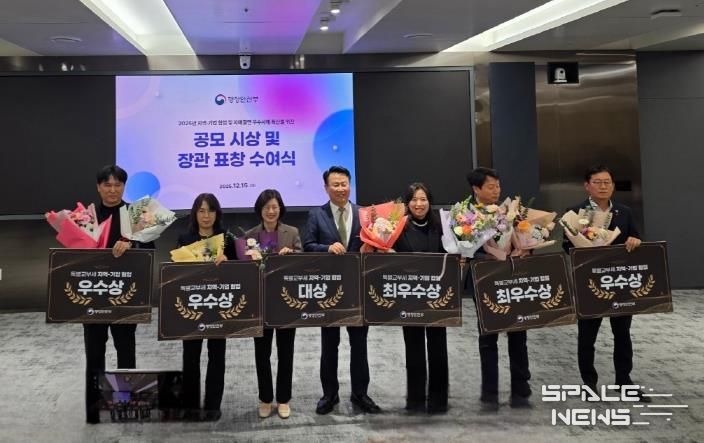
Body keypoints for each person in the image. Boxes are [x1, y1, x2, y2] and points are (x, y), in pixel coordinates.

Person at [563, 165, 649, 401]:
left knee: (622, 333)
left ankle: (624, 381)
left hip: (619, 282)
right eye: (598, 182)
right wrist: (586, 250)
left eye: (607, 182)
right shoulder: (575, 212)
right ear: (587, 186)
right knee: (587, 335)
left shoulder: (624, 211)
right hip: (589, 282)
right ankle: (589, 383)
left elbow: (636, 237)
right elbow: (567, 245)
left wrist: (635, 240)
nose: (603, 186)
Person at [302, 165, 381, 415]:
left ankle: (360, 393)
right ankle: (329, 394)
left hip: (358, 288)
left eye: (344, 184)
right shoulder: (316, 214)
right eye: (335, 185)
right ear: (326, 188)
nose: (340, 189)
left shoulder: (364, 214)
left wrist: (373, 248)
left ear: (350, 185)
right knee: (329, 344)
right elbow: (307, 246)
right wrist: (326, 248)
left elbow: (376, 244)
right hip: (329, 290)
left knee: (360, 344)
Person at [84, 165, 155, 424]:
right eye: (107, 185)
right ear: (98, 187)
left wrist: (132, 244)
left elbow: (150, 248)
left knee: (126, 351)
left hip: (126, 295)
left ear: (124, 187)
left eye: (117, 185)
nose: (112, 190)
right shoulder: (87, 217)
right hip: (93, 297)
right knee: (94, 354)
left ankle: (126, 404)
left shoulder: (136, 214)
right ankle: (93, 407)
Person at [465, 167, 532, 410]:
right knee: (488, 335)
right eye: (491, 187)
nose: (497, 191)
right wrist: (488, 255)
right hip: (483, 279)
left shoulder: (509, 211)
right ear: (476, 189)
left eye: (498, 186)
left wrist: (525, 249)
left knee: (518, 330)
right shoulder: (465, 216)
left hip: (512, 278)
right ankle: (490, 390)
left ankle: (521, 386)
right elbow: (463, 249)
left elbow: (527, 237)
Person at [177, 193, 236, 421]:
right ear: (195, 213)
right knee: (190, 356)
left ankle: (213, 405)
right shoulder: (185, 238)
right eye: (201, 211)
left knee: (217, 356)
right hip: (192, 306)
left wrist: (228, 262)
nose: (206, 215)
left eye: (210, 210)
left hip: (219, 306)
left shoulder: (227, 238)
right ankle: (190, 405)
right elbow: (175, 273)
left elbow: (239, 271)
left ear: (217, 213)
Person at [244, 189, 302, 420]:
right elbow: (244, 272)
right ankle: (266, 398)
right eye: (266, 207)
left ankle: (284, 399)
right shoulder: (250, 236)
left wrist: (292, 254)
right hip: (260, 303)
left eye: (274, 207)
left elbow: (302, 262)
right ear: (260, 210)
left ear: (280, 209)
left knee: (286, 352)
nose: (271, 211)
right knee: (262, 353)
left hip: (287, 301)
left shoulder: (292, 232)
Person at [393, 183, 449, 414]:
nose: (419, 204)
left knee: (438, 348)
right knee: (413, 348)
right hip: (410, 297)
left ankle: (439, 399)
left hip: (437, 296)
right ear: (407, 203)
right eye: (414, 200)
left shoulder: (442, 226)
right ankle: (415, 399)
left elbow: (450, 254)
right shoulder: (398, 228)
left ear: (429, 201)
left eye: (423, 199)